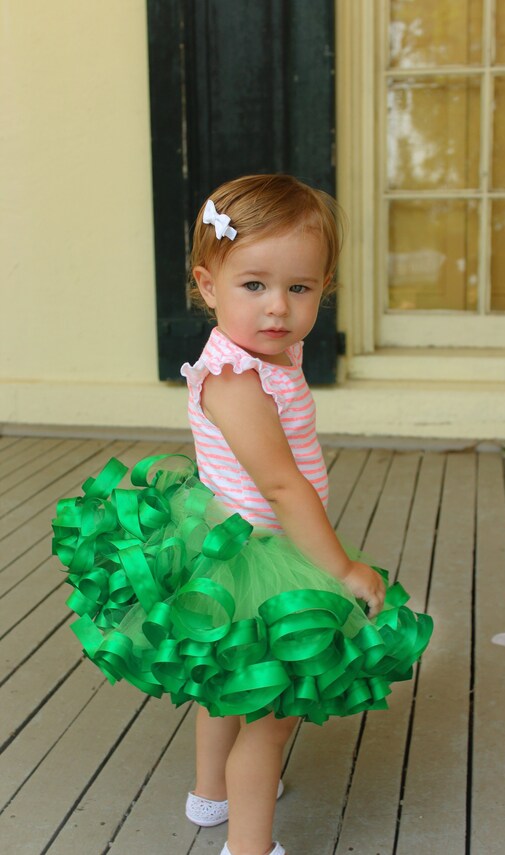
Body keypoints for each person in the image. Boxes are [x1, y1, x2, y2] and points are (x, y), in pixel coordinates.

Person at [51, 174, 433, 855]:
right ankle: (249, 847)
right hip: (256, 551)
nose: (278, 308)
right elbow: (284, 487)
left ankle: (210, 795)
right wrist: (342, 565)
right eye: (253, 285)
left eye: (300, 287)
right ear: (207, 284)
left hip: (231, 539)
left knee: (225, 682)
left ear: (324, 286)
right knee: (270, 711)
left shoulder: (263, 353)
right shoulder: (236, 382)